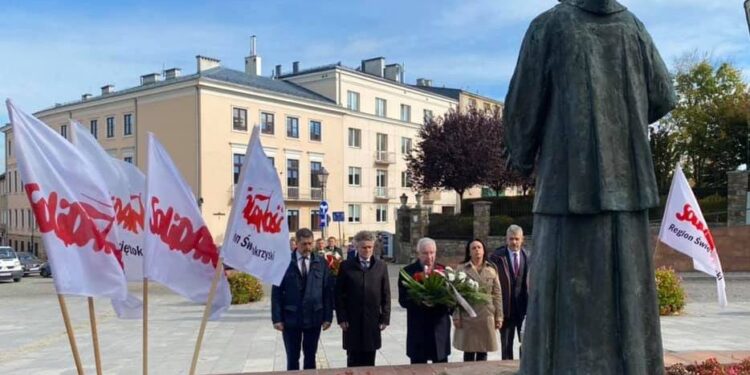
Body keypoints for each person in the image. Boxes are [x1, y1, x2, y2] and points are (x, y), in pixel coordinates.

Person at [503, 0, 676, 372]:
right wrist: (622, 120)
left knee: (560, 311)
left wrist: (521, 155)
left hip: (565, 188)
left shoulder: (548, 26)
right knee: (629, 308)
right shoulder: (633, 28)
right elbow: (664, 96)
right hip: (627, 187)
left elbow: (522, 109)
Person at [271, 228, 334, 370]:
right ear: (296, 243)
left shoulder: (321, 263)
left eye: (310, 244)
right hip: (291, 318)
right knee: (293, 358)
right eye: (304, 244)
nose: (308, 247)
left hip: (314, 317)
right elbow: (276, 293)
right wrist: (277, 318)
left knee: (310, 357)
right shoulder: (284, 262)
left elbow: (326, 292)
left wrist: (328, 317)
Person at [335, 230, 391, 367]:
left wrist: (385, 318)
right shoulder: (346, 266)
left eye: (369, 247)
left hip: (372, 320)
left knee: (369, 360)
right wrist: (342, 318)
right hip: (352, 321)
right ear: (357, 247)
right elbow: (338, 294)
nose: (367, 250)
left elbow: (386, 294)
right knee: (353, 359)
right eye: (363, 247)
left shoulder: (381, 266)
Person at [398, 237, 451, 364]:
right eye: (425, 253)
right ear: (418, 254)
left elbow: (451, 299)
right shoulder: (407, 272)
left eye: (432, 252)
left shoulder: (444, 271)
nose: (429, 256)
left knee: (440, 368)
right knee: (418, 367)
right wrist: (421, 300)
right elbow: (403, 300)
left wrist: (442, 301)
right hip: (418, 329)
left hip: (439, 329)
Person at [452, 239, 502, 362]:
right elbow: (455, 295)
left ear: (484, 250)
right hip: (469, 316)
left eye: (479, 247)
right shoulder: (462, 269)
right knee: (468, 351)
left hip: (486, 315)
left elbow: (497, 294)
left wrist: (499, 316)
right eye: (473, 248)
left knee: (483, 351)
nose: (477, 250)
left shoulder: (491, 269)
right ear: (469, 252)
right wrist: (456, 316)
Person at [489, 224, 529, 360]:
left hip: (523, 310)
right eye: (511, 239)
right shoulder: (497, 258)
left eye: (517, 239)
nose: (514, 242)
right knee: (506, 346)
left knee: (526, 344)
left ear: (522, 239)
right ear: (506, 239)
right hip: (506, 309)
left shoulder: (528, 256)